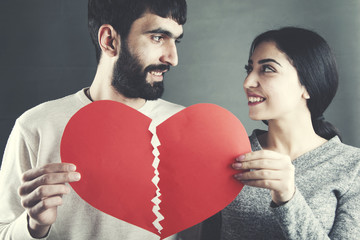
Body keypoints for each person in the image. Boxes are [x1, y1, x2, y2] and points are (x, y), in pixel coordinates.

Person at [0, 0, 189, 239]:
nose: (173, 58)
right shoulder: (36, 126)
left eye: (176, 40)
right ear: (109, 40)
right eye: (158, 37)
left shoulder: (185, 128)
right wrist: (35, 225)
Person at [221, 27, 360, 239]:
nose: (247, 82)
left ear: (308, 85)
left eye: (267, 69)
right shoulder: (228, 156)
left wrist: (288, 197)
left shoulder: (353, 167)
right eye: (249, 69)